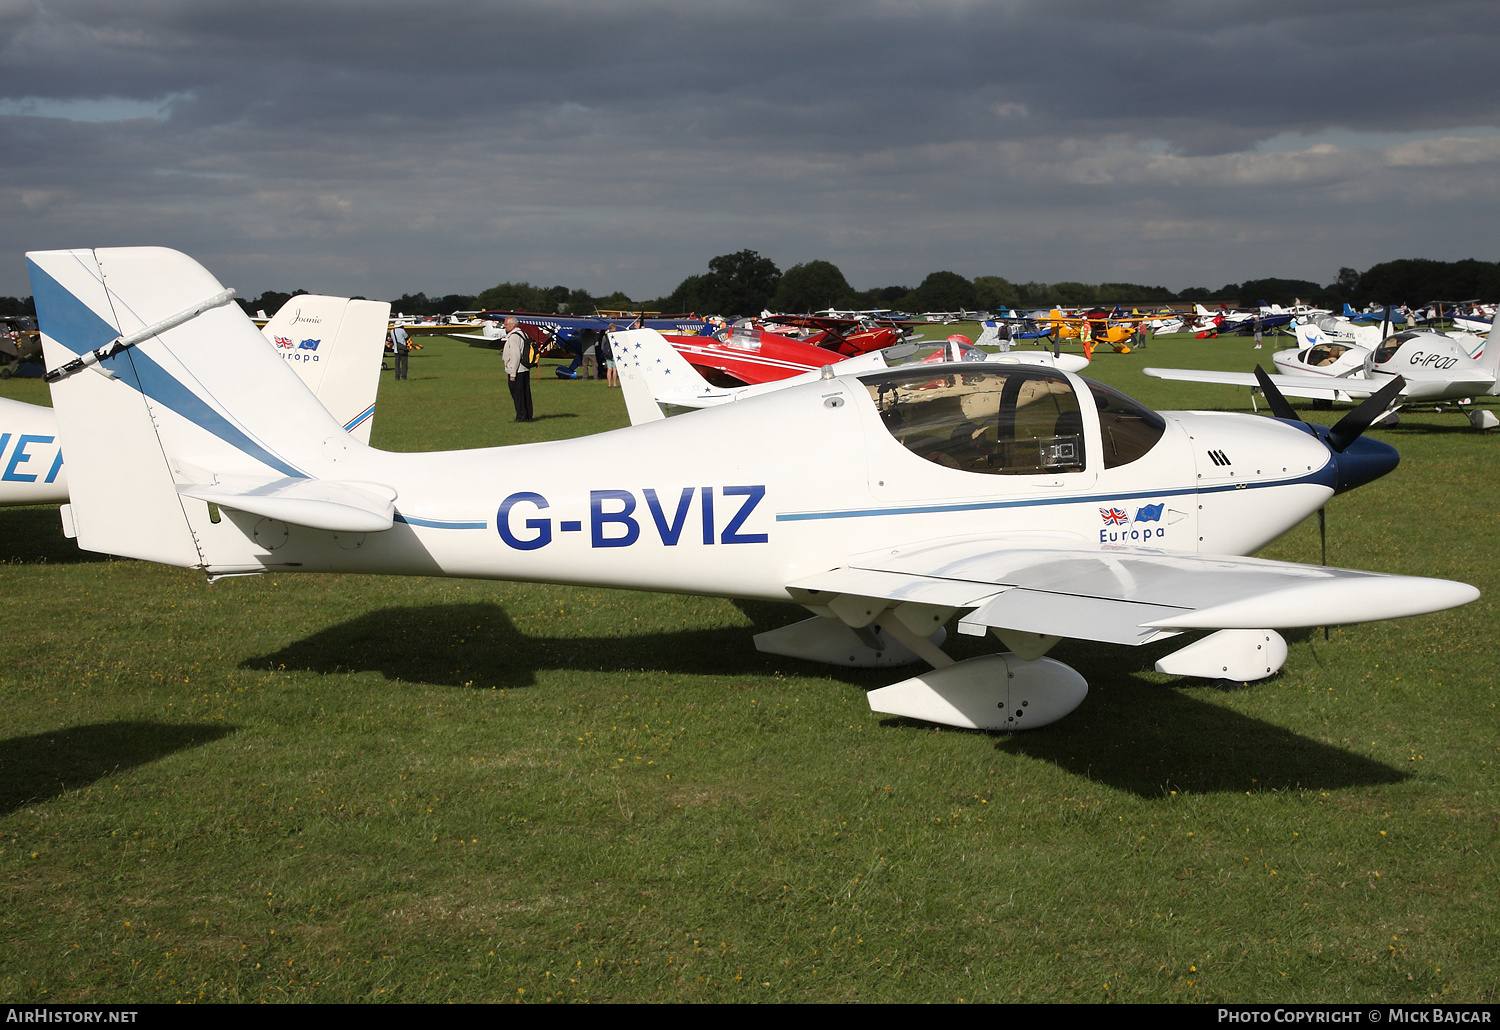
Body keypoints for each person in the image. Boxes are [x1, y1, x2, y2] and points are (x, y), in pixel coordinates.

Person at [502, 316, 533, 422]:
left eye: (507, 324)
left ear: (513, 325)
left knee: (517, 394)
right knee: (525, 393)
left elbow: (515, 356)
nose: (505, 326)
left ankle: (521, 416)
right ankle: (528, 415)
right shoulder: (524, 334)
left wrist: (512, 373)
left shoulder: (514, 337)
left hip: (517, 370)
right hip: (525, 369)